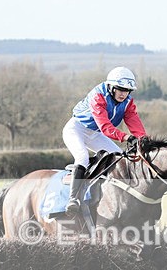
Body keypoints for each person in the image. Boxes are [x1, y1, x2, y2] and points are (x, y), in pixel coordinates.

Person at [62, 66, 147, 215]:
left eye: (127, 90)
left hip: (94, 134)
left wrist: (143, 140)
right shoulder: (98, 96)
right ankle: (73, 199)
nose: (123, 94)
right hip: (76, 129)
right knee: (82, 157)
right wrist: (126, 137)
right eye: (120, 89)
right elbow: (105, 127)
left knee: (119, 157)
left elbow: (134, 121)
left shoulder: (127, 102)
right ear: (110, 87)